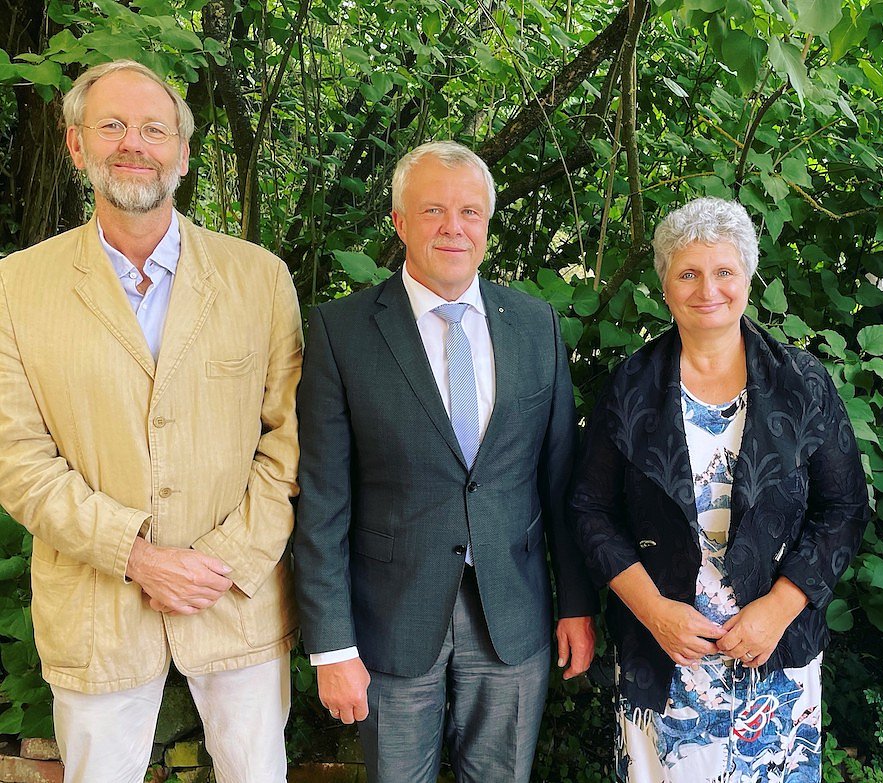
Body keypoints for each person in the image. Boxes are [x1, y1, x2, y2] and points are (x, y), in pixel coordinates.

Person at [0, 60, 302, 783]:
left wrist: (222, 561)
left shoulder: (259, 278)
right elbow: (17, 459)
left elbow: (291, 442)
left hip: (235, 596)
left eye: (153, 129)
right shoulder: (16, 286)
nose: (133, 143)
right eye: (111, 125)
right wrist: (137, 557)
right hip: (97, 604)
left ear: (184, 152)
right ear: (76, 145)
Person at [293, 140, 598, 783]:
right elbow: (322, 499)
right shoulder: (341, 332)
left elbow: (560, 481)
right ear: (400, 222)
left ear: (487, 224)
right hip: (390, 621)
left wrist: (576, 603)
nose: (453, 227)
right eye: (433, 210)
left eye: (469, 212)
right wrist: (331, 645)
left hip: (512, 616)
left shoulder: (536, 325)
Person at [571, 197, 869, 782]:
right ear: (665, 287)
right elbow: (590, 510)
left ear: (748, 278)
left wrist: (780, 608)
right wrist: (654, 611)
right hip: (664, 651)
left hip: (774, 651)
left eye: (724, 271)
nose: (708, 289)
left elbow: (844, 508)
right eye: (688, 273)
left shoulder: (802, 382)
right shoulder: (630, 386)